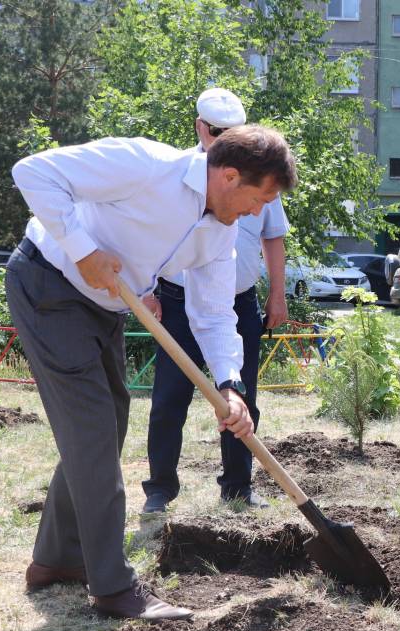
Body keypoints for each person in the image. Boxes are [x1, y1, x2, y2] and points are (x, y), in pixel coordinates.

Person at [7, 125, 297, 621]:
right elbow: (32, 172)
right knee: (94, 429)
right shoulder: (146, 165)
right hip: (49, 286)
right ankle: (114, 586)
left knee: (107, 425)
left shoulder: (219, 230)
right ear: (229, 175)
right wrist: (82, 249)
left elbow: (213, 311)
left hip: (105, 307)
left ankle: (56, 559)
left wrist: (230, 384)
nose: (257, 213)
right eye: (259, 198)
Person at [141, 88, 290, 514]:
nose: (224, 139)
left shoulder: (260, 177)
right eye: (217, 131)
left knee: (239, 395)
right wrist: (146, 290)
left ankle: (238, 486)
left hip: (237, 304)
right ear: (200, 128)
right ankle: (160, 489)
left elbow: (272, 237)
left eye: (233, 131)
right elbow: (146, 240)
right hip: (175, 302)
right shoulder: (175, 177)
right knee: (170, 397)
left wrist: (276, 294)